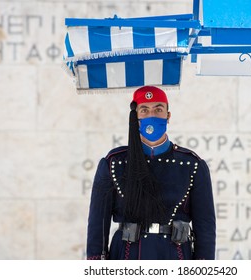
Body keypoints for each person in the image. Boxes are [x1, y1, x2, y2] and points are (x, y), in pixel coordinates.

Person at [86, 85, 216, 260]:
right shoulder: (114, 162)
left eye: (158, 109)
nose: (151, 115)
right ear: (135, 116)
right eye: (144, 110)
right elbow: (97, 224)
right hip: (126, 255)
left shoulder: (192, 164)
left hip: (174, 255)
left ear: (168, 116)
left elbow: (205, 226)